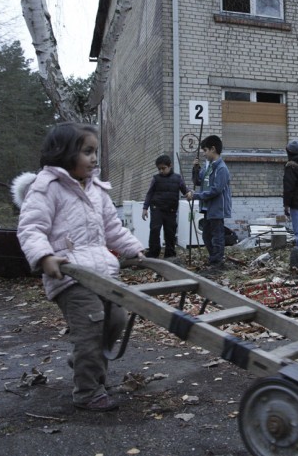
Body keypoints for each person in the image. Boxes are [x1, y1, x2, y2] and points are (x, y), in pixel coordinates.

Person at [14, 122, 145, 412]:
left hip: (102, 272)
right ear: (64, 153)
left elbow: (113, 228)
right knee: (92, 328)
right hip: (70, 274)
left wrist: (134, 248)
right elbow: (31, 228)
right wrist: (44, 257)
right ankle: (87, 391)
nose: (94, 158)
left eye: (96, 152)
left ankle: (87, 361)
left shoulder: (96, 189)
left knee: (116, 320)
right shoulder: (47, 187)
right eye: (87, 152)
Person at [187, 135, 231, 267]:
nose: (204, 154)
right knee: (206, 236)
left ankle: (217, 262)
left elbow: (216, 190)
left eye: (205, 150)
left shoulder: (221, 168)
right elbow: (198, 181)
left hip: (217, 208)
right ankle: (214, 258)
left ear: (213, 149)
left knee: (217, 236)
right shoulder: (209, 167)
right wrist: (196, 169)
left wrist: (196, 195)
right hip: (207, 208)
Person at [141, 154, 190, 259]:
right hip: (156, 209)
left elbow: (185, 191)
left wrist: (189, 193)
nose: (161, 171)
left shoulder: (177, 178)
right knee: (155, 230)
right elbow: (149, 193)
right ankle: (153, 254)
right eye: (159, 169)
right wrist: (145, 208)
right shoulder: (156, 179)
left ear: (170, 166)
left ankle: (170, 254)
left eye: (163, 168)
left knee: (170, 232)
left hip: (171, 210)